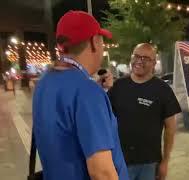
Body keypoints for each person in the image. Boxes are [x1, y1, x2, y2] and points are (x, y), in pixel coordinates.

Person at [32, 11, 129, 180]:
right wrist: (93, 95)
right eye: (102, 41)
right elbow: (102, 173)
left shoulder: (44, 82)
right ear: (94, 42)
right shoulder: (87, 92)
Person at [103, 43, 182, 180]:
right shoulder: (118, 87)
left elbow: (170, 128)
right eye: (137, 56)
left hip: (149, 163)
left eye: (146, 58)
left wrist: (165, 161)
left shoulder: (163, 90)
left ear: (153, 63)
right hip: (120, 160)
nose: (139, 61)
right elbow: (104, 119)